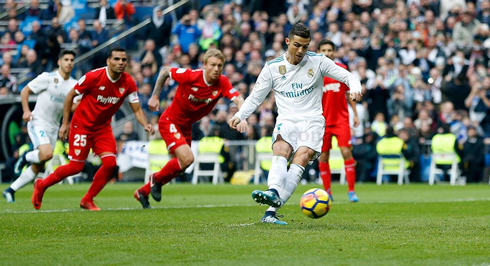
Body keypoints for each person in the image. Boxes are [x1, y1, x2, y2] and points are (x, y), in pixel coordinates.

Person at [228, 23, 362, 225]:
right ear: (287, 41)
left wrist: (355, 87)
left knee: (301, 157)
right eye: (297, 45)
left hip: (312, 121)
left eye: (305, 46)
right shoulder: (273, 68)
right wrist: (241, 115)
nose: (301, 51)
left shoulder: (318, 62)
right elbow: (256, 97)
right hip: (287, 120)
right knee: (280, 149)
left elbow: (348, 76)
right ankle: (273, 192)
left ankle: (271, 212)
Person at [31, 47, 155, 211]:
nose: (121, 63)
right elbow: (70, 96)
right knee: (76, 167)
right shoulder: (94, 76)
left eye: (124, 60)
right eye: (117, 59)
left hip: (102, 128)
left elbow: (137, 109)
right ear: (108, 61)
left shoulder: (128, 82)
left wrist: (145, 124)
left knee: (110, 163)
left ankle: (87, 199)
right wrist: (65, 124)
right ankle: (42, 184)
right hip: (81, 125)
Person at [133, 49, 244, 209]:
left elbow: (238, 98)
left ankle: (142, 192)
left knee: (182, 164)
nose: (216, 69)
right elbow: (165, 71)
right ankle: (155, 179)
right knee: (187, 159)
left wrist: (242, 116)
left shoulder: (222, 82)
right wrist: (155, 96)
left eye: (220, 66)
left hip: (186, 126)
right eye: (212, 65)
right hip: (170, 121)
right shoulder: (191, 76)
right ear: (204, 65)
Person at [2, 50, 78, 203]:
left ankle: (10, 190)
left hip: (53, 127)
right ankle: (25, 156)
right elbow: (25, 90)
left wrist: (67, 121)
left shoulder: (74, 85)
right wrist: (25, 111)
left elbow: (72, 107)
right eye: (66, 59)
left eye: (71, 60)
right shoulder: (48, 78)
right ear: (59, 62)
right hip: (38, 121)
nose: (69, 62)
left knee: (39, 164)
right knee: (47, 154)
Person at [316, 39, 360, 202]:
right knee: (323, 156)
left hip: (341, 119)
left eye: (329, 50)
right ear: (318, 52)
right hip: (322, 121)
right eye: (323, 50)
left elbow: (350, 93)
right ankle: (327, 191)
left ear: (334, 52)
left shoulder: (341, 70)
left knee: (346, 152)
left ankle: (351, 191)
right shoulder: (314, 72)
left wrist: (355, 114)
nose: (327, 53)